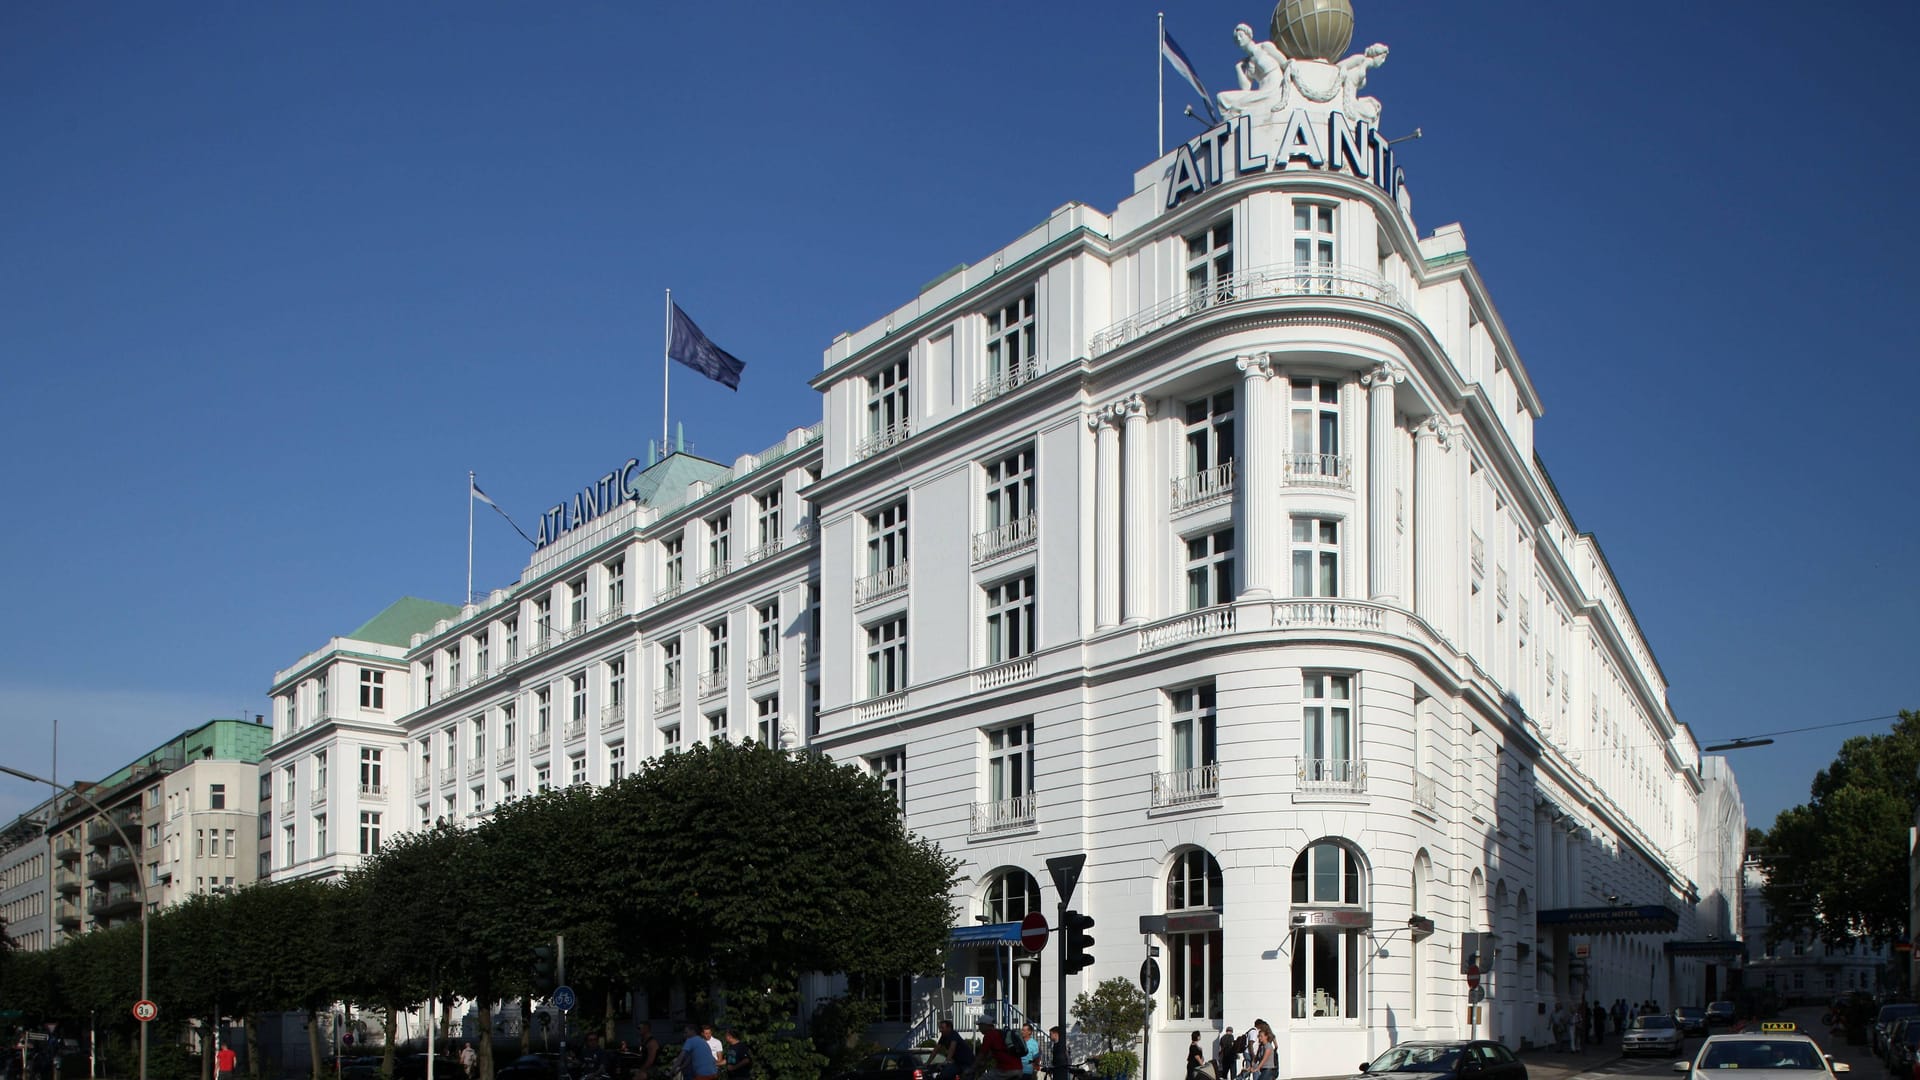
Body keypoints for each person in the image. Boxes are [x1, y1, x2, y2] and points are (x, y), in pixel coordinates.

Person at [1216, 23, 1291, 119]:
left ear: (1248, 35)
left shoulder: (1264, 47)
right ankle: (1228, 127)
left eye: (1241, 36)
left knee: (1236, 106)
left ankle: (1233, 127)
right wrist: (1238, 68)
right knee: (1222, 97)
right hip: (1261, 90)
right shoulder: (1247, 63)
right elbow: (1246, 88)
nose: (1239, 39)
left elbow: (1284, 62)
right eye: (1236, 38)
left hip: (1274, 88)